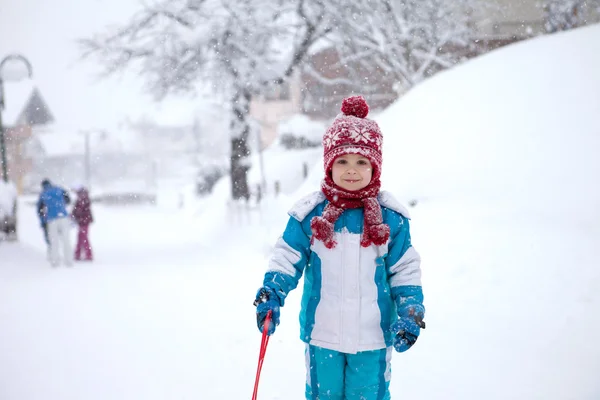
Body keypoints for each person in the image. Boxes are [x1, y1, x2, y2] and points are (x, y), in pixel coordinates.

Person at [253, 96, 425, 400]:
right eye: (342, 161)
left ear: (375, 166)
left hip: (372, 337)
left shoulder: (390, 219)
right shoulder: (311, 215)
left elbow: (404, 269)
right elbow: (287, 257)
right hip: (324, 335)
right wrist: (272, 293)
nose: (352, 170)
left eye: (362, 162)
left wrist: (410, 309)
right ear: (329, 164)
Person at [37, 179, 73, 267]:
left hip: (51, 219)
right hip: (63, 217)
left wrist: (43, 222)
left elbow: (40, 210)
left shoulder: (43, 194)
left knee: (54, 241)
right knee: (66, 240)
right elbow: (68, 200)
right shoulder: (59, 189)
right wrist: (60, 206)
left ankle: (55, 261)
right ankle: (68, 260)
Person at [71, 185, 94, 261]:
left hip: (84, 221)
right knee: (81, 237)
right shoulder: (83, 198)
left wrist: (74, 215)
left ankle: (87, 254)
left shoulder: (82, 198)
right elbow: (77, 209)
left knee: (83, 238)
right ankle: (78, 254)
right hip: (83, 221)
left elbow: (79, 210)